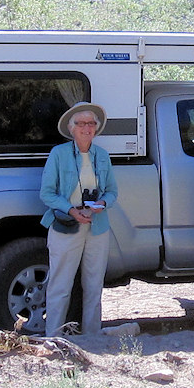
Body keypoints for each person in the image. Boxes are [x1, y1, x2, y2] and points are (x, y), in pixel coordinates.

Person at [39, 102, 118, 335]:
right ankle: (53, 337)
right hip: (67, 225)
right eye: (81, 123)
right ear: (72, 128)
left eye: (91, 123)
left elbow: (112, 191)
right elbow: (46, 193)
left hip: (97, 226)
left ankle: (92, 337)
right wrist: (72, 210)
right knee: (60, 285)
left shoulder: (102, 156)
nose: (87, 128)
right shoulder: (59, 154)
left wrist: (102, 203)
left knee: (94, 286)